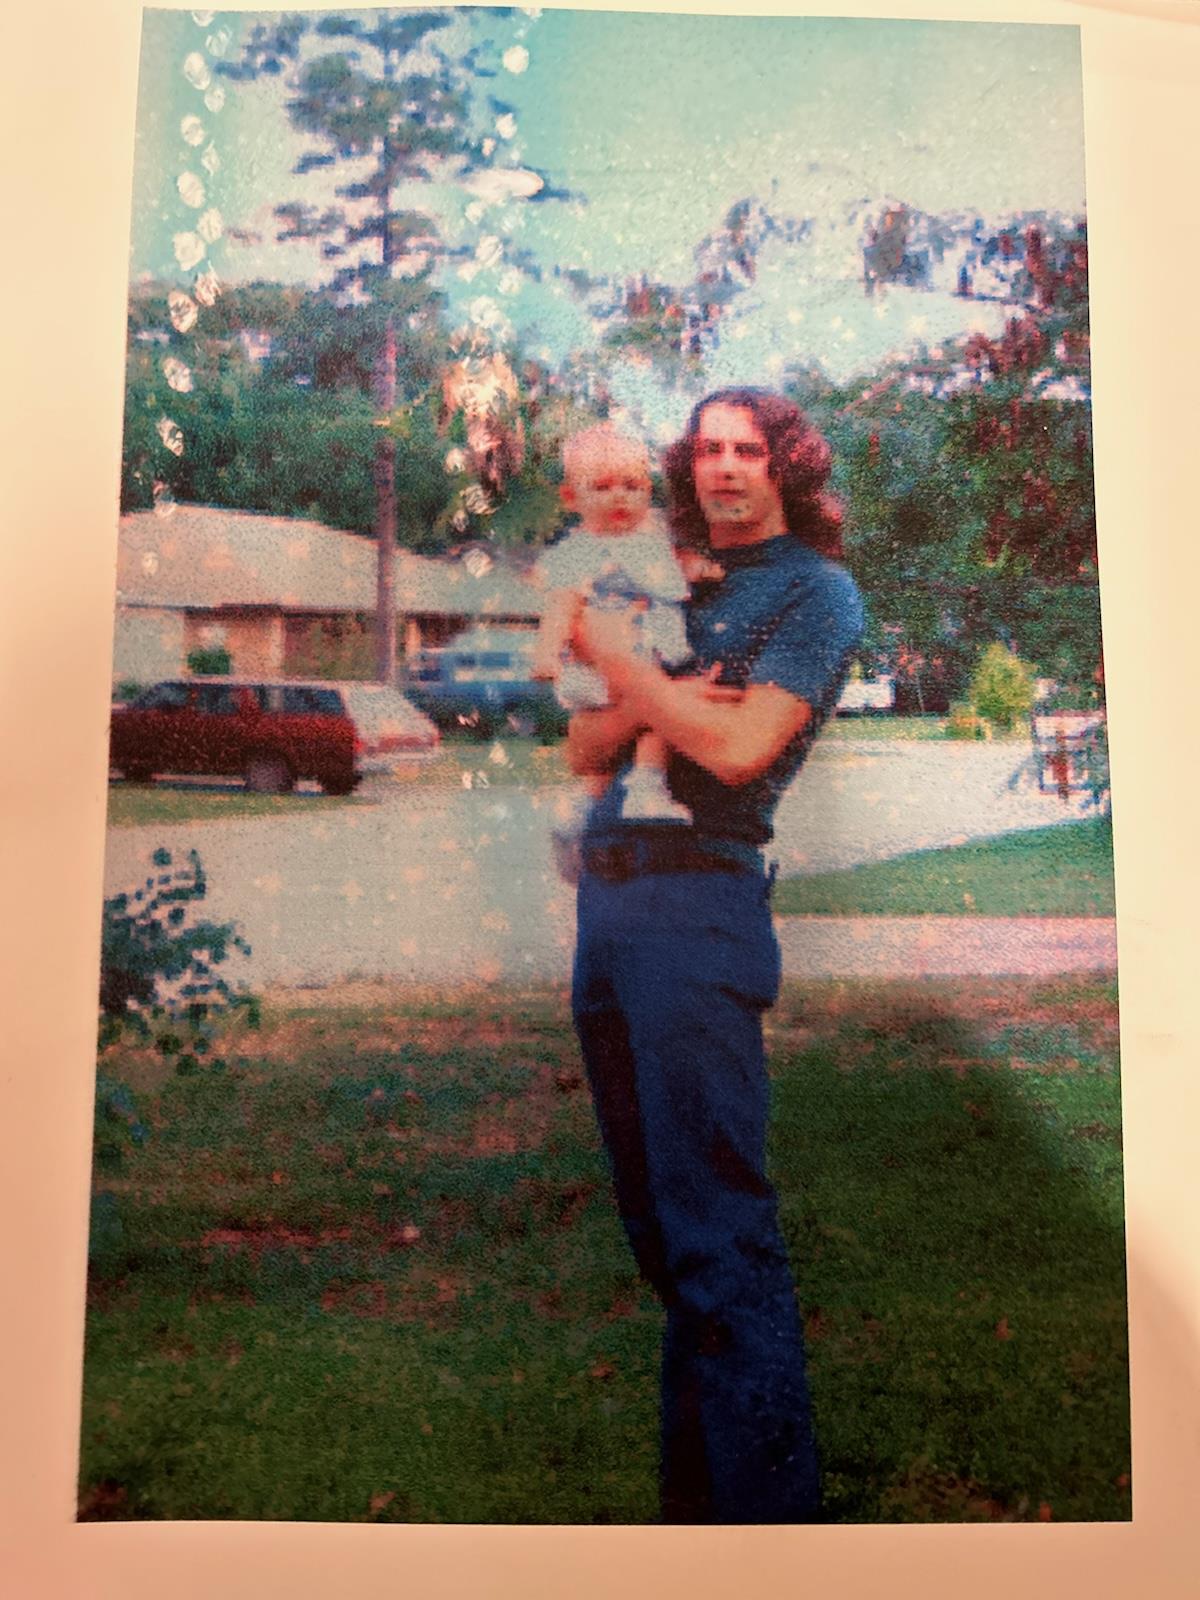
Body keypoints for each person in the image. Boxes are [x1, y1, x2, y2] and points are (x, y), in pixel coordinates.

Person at [565, 388, 864, 1524]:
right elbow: (586, 746)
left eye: (750, 450)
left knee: (719, 1234)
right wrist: (656, 696)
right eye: (708, 451)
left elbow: (738, 748)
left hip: (700, 911)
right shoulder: (663, 574)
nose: (725, 468)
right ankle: (699, 1523)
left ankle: (772, 1533)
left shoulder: (816, 594)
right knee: (662, 1239)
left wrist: (633, 678)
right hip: (613, 905)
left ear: (785, 467)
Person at [532, 422, 715, 825]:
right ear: (570, 497)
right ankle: (645, 787)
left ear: (648, 492)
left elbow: (672, 567)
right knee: (660, 714)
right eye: (602, 487)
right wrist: (548, 653)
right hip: (604, 664)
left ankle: (586, 806)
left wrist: (698, 568)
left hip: (649, 657)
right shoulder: (579, 552)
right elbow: (562, 605)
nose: (620, 496)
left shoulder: (653, 535)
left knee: (642, 723)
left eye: (633, 486)